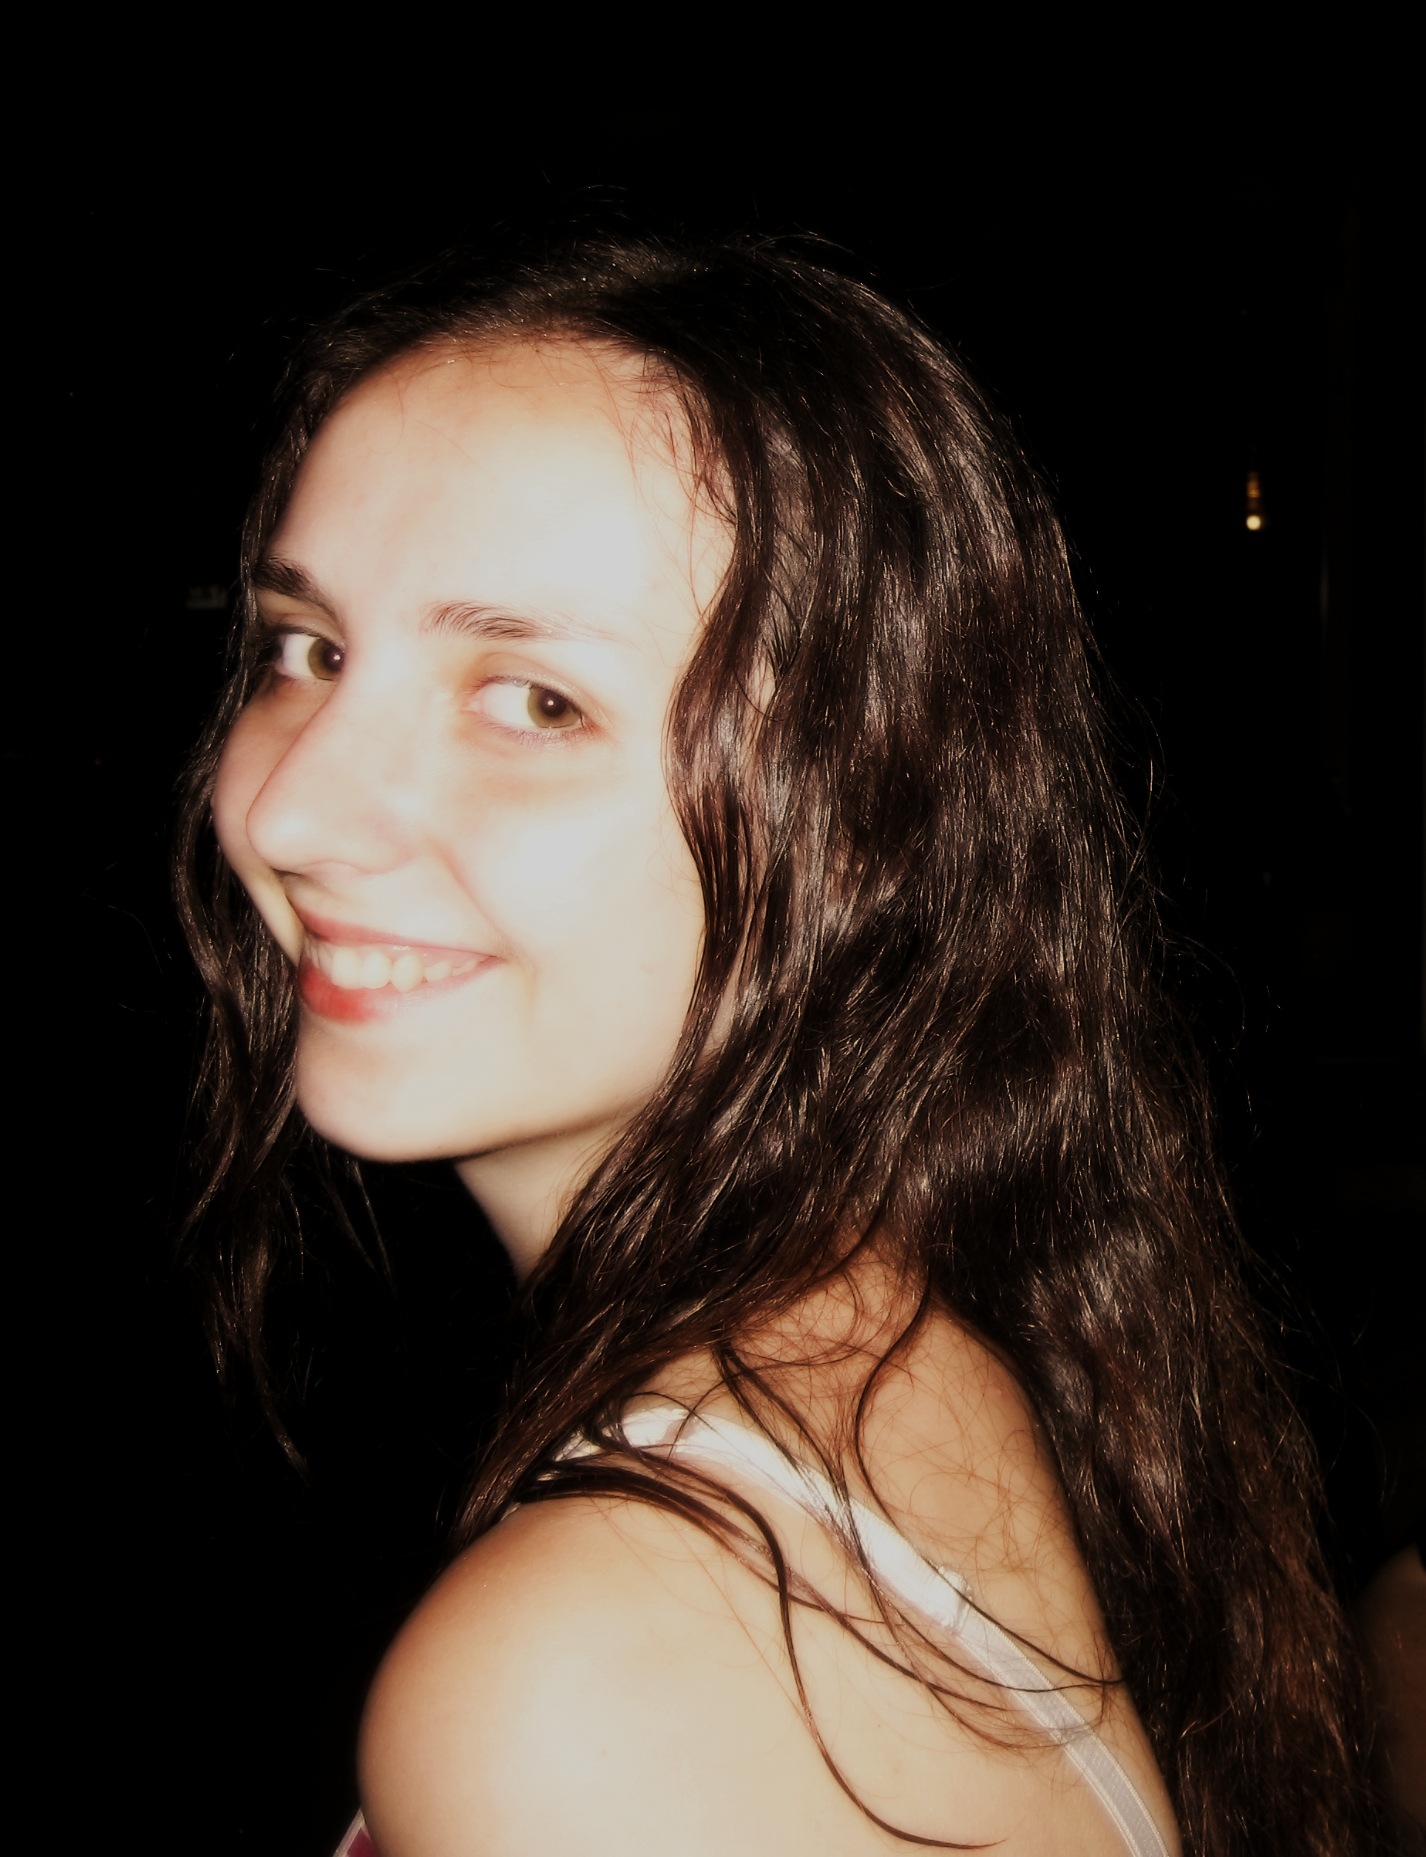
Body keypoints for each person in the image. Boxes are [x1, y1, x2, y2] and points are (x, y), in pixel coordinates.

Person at [177, 235, 1378, 1855]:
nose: (294, 811)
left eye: (532, 699)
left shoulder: (580, 1686)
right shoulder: (912, 1327)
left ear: (866, 816)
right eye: (305, 650)